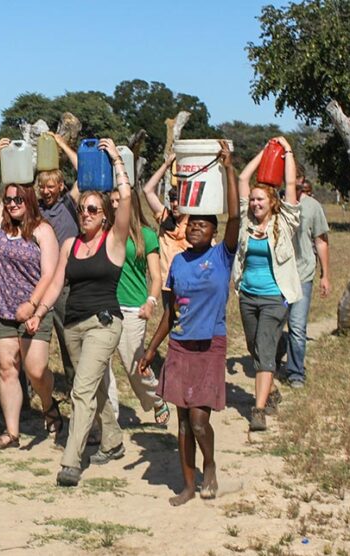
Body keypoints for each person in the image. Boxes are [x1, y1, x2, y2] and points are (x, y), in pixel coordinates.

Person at [139, 140, 239, 506]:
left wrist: (228, 169)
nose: (195, 229)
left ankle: (209, 465)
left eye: (202, 225)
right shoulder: (178, 262)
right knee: (181, 423)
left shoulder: (222, 256)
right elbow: (171, 311)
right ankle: (189, 485)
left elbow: (236, 218)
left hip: (209, 345)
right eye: (192, 224)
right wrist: (152, 348)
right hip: (180, 346)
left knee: (199, 421)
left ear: (213, 231)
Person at [36, 138, 132, 488]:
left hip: (104, 323)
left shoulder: (115, 241)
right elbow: (57, 282)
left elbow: (128, 203)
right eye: (83, 210)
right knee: (95, 386)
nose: (86, 215)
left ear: (105, 215)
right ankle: (113, 440)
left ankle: (71, 461)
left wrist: (117, 161)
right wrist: (39, 311)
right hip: (74, 324)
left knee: (82, 390)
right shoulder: (69, 244)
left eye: (93, 210)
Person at [0, 158, 62, 449]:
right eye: (8, 199)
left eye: (18, 199)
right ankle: (12, 433)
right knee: (7, 368)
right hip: (0, 308)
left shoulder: (42, 230)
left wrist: (33, 305)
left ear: (29, 200)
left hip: (32, 309)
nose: (12, 204)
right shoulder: (1, 221)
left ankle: (49, 405)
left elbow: (49, 273)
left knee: (35, 370)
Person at [0, 135, 79, 389]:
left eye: (52, 186)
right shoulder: (32, 209)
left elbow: (83, 173)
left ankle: (75, 387)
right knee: (28, 350)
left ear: (61, 186)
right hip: (38, 287)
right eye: (42, 186)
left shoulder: (70, 203)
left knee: (69, 341)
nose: (46, 191)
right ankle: (28, 392)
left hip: (66, 285)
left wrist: (61, 146)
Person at [233, 137, 301, 432]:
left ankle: (258, 410)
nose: (257, 203)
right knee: (255, 348)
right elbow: (243, 177)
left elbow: (289, 186)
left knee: (264, 350)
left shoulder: (285, 222)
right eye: (254, 199)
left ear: (273, 203)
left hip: (275, 298)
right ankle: (271, 390)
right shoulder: (248, 221)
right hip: (247, 295)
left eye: (262, 199)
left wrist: (286, 152)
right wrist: (263, 153)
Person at [106, 188, 170, 425]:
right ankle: (109, 419)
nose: (114, 205)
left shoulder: (146, 235)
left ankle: (156, 399)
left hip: (133, 307)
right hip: (106, 305)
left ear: (131, 203)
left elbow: (156, 276)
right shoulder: (107, 233)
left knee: (134, 365)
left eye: (118, 200)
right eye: (111, 201)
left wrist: (151, 302)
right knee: (101, 365)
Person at [280, 176, 330, 388]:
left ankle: (295, 372)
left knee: (297, 326)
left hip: (303, 275)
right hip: (278, 275)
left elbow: (320, 241)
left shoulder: (313, 207)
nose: (296, 184)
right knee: (272, 325)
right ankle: (274, 355)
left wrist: (325, 274)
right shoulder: (275, 203)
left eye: (299, 181)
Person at [143, 154, 190, 307]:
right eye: (172, 200)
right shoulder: (165, 217)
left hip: (189, 283)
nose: (175, 204)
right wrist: (166, 165)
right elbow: (148, 190)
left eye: (179, 200)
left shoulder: (195, 222)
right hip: (167, 284)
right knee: (171, 324)